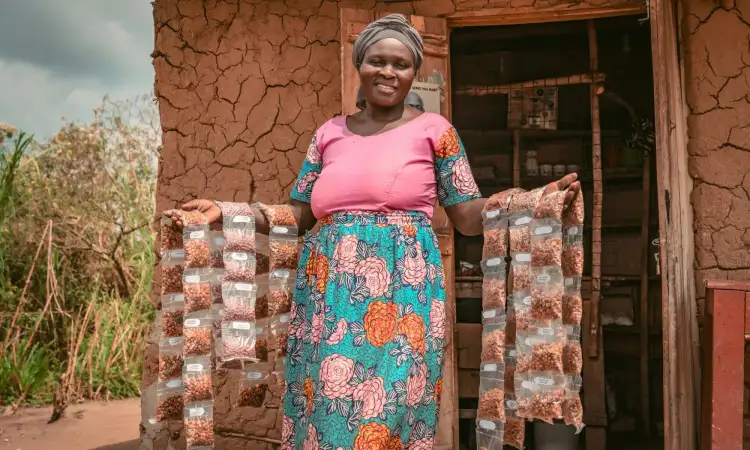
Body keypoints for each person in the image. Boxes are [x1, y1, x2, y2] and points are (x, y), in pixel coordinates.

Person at [167, 13, 579, 449]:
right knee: (327, 412)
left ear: (414, 72)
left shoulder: (435, 132)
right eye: (377, 61)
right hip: (328, 301)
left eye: (400, 64)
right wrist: (232, 212)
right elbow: (300, 215)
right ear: (359, 65)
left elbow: (466, 215)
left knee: (391, 411)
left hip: (404, 300)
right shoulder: (329, 133)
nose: (388, 72)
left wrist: (527, 202)